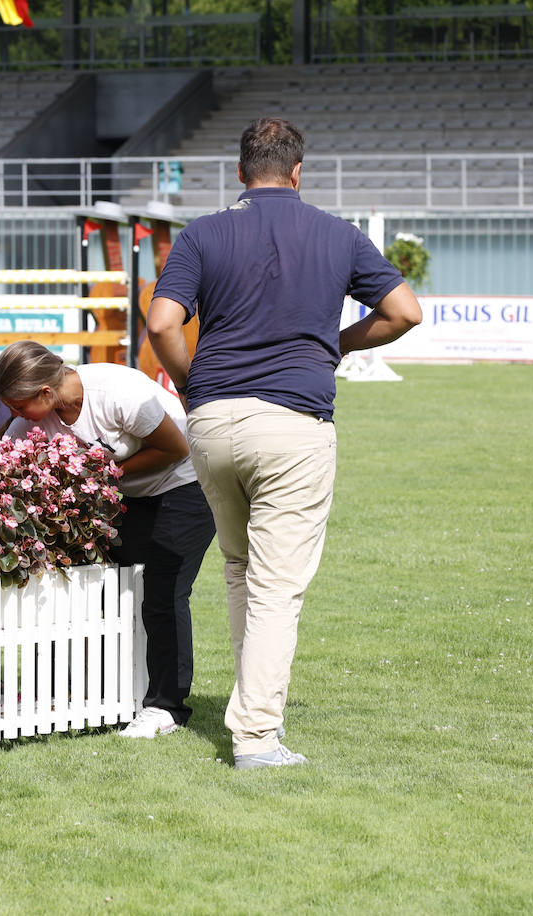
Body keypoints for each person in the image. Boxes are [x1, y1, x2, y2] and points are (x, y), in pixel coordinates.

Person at [146, 117, 422, 769]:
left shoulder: (203, 234)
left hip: (212, 423)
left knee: (241, 570)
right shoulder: (337, 234)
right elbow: (405, 311)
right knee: (275, 585)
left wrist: (194, 386)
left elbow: (161, 323)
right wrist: (338, 345)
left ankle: (250, 711)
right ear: (298, 172)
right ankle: (256, 738)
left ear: (240, 172)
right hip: (292, 423)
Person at [0, 340, 216, 738]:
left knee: (164, 591)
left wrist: (100, 472)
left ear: (45, 392)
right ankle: (102, 693)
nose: (15, 415)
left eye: (19, 405)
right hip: (128, 495)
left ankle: (166, 707)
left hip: (187, 481)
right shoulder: (34, 421)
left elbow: (175, 447)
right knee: (105, 592)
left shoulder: (117, 393)